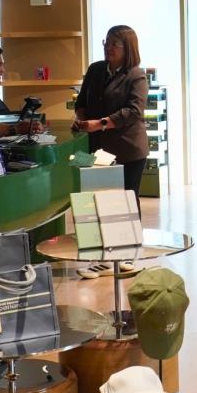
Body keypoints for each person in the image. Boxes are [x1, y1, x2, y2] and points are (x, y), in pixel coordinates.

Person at [73, 25, 148, 278]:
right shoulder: (95, 69)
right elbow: (81, 102)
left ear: (128, 48)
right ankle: (99, 258)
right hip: (96, 149)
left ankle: (128, 254)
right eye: (107, 42)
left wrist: (101, 123)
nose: (109, 47)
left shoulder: (136, 76)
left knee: (126, 202)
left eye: (115, 43)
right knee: (95, 201)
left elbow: (134, 111)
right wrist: (82, 120)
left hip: (128, 149)